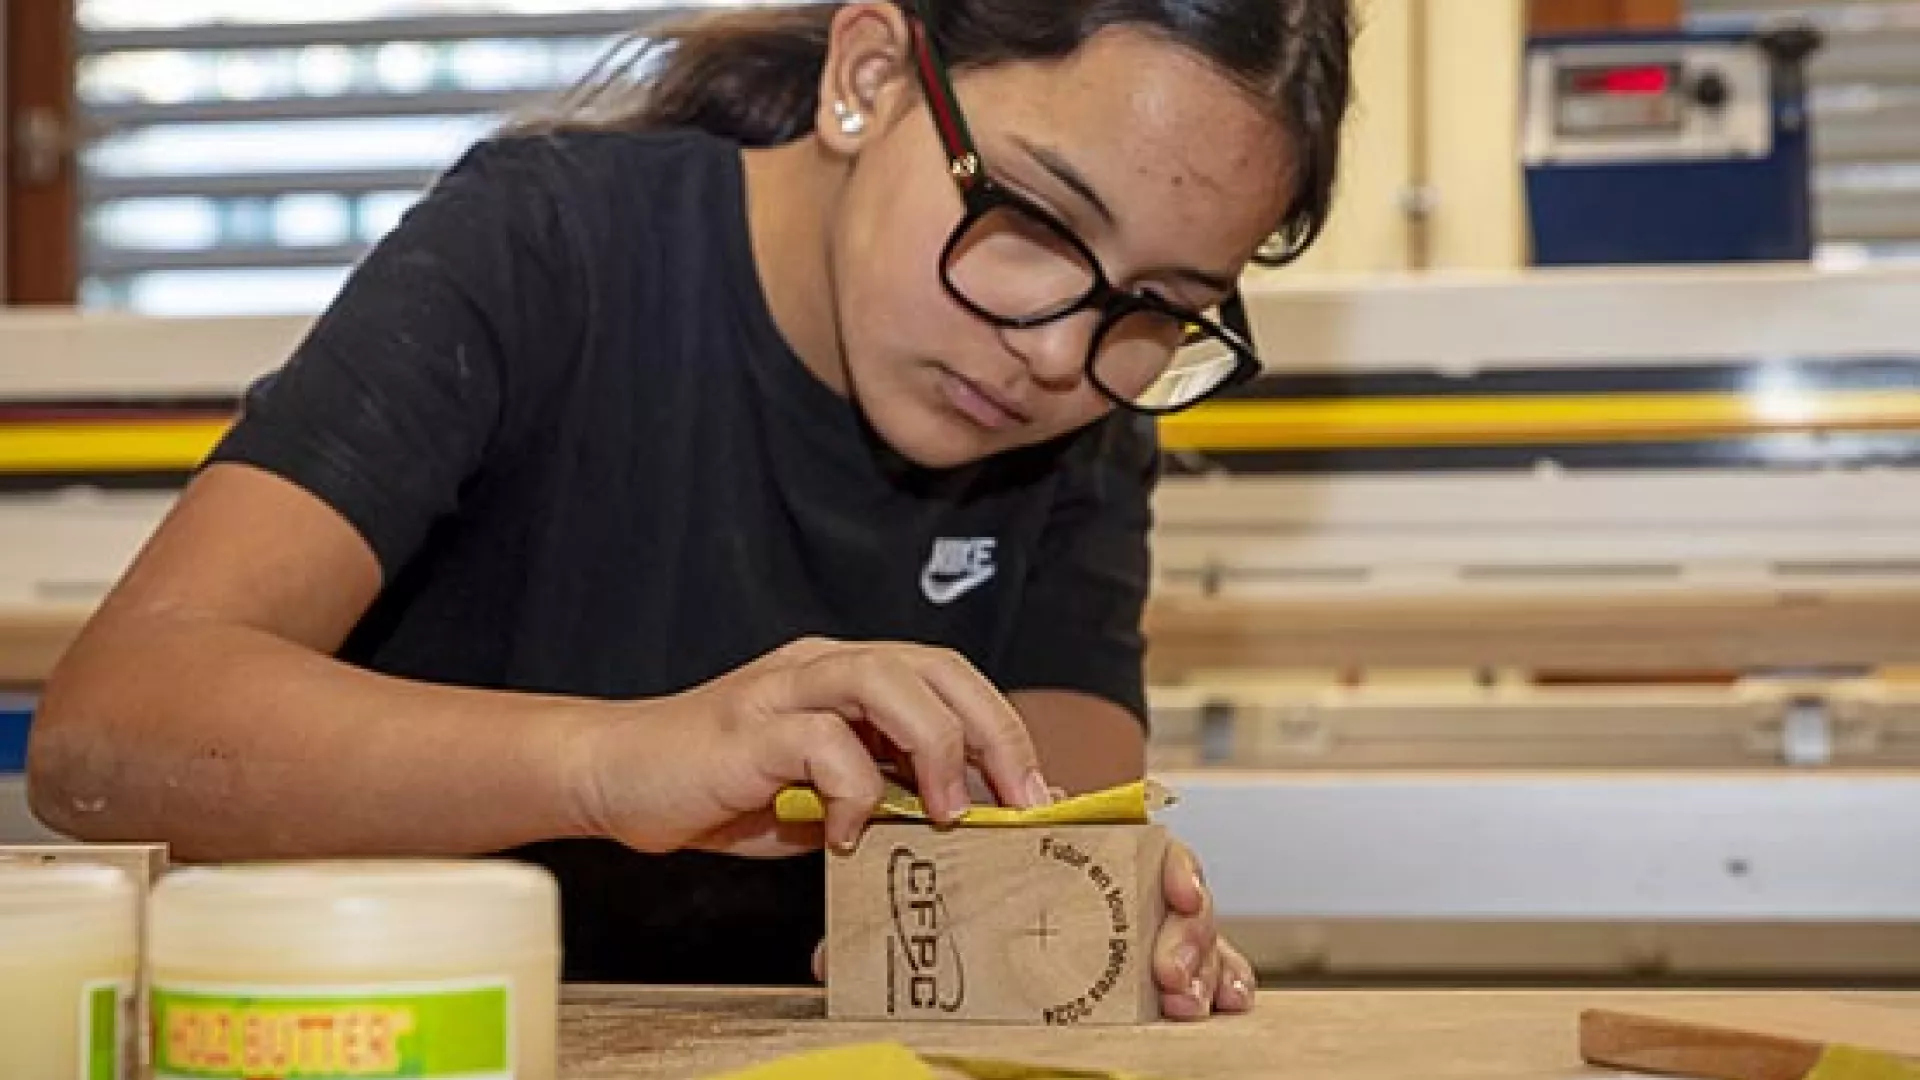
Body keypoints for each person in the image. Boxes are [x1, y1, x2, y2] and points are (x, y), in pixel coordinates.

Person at [28, 0, 1352, 1017]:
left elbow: (1047, 816)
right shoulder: (544, 251)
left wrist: (1087, 922)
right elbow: (107, 737)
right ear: (868, 78)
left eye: (1164, 305)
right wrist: (618, 763)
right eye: (1040, 222)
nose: (1061, 355)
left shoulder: (1084, 404)